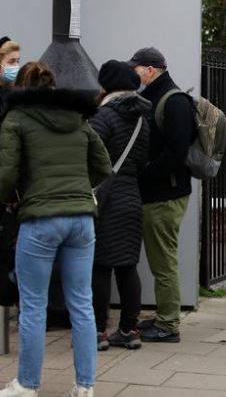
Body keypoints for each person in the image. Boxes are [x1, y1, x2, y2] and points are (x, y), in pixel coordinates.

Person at [0, 62, 111, 397]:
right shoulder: (79, 119)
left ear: (22, 89)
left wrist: (14, 198)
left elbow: (6, 177)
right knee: (82, 303)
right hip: (81, 220)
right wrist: (76, 189)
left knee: (33, 304)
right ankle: (85, 386)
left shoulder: (16, 119)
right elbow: (103, 166)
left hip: (40, 219)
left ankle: (27, 384)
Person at [129, 47, 195, 343]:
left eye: (137, 69)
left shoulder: (174, 100)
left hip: (165, 193)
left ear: (150, 69)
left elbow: (177, 152)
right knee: (159, 259)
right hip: (157, 192)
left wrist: (144, 172)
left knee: (163, 260)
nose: (135, 74)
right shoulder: (156, 96)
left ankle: (169, 325)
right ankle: (164, 315)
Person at [89, 60, 150, 351]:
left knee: (100, 266)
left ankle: (99, 331)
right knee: (127, 266)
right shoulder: (141, 119)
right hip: (131, 197)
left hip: (105, 198)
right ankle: (129, 329)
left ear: (106, 86)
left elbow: (92, 158)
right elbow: (140, 160)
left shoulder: (102, 117)